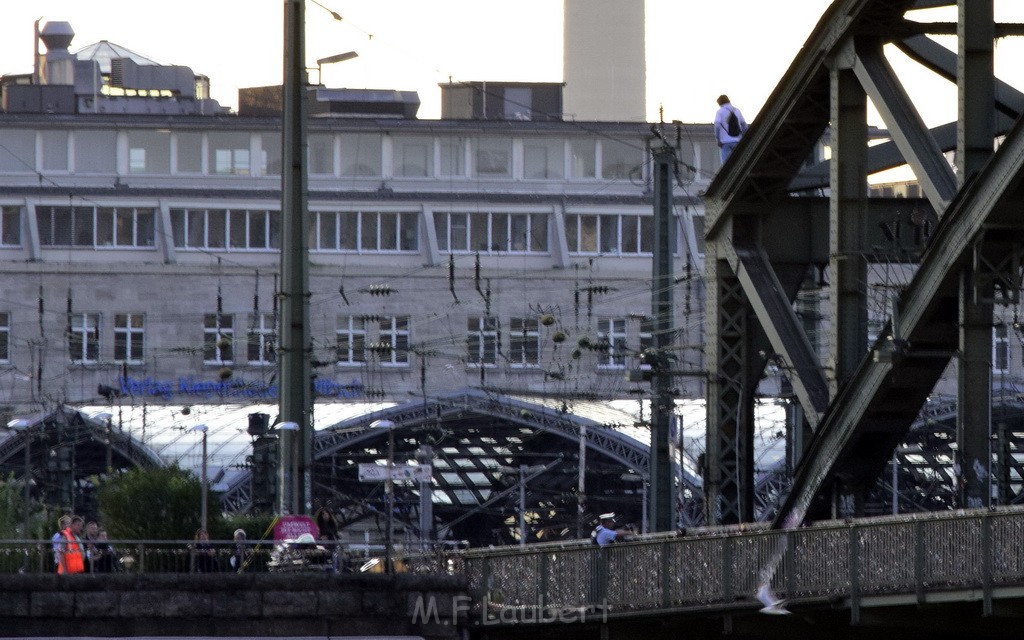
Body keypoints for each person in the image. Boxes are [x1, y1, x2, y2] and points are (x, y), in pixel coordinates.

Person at [714, 94, 748, 164]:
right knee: (739, 163)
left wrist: (718, 139)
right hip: (737, 141)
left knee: (726, 165)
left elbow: (717, 126)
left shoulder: (720, 111)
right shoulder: (737, 110)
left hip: (725, 142)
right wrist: (744, 137)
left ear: (720, 103)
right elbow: (744, 125)